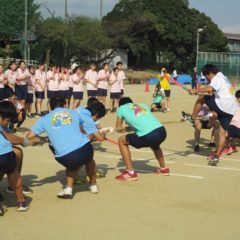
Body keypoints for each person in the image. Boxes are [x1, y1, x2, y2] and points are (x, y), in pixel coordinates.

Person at [26, 96, 99, 199]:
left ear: (49, 107)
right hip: (85, 150)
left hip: (65, 157)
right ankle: (93, 185)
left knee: (70, 160)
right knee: (89, 160)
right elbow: (85, 126)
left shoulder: (44, 119)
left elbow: (29, 136)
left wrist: (45, 139)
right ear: (65, 104)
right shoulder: (74, 112)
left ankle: (68, 189)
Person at [187, 64, 237, 166]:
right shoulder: (224, 78)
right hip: (231, 110)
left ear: (210, 73)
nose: (207, 78)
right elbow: (213, 92)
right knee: (222, 133)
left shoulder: (217, 77)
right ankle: (216, 157)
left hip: (223, 106)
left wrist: (195, 90)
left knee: (201, 98)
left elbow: (209, 88)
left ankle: (192, 118)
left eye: (206, 76)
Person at [115, 97, 170, 181]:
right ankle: (163, 168)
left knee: (121, 140)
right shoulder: (142, 105)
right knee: (155, 144)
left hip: (148, 135)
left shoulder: (121, 108)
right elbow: (143, 119)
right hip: (162, 131)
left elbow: (118, 129)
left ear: (120, 105)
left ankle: (130, 173)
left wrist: (129, 128)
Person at [0, 101, 29, 214]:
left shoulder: (2, 124)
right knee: (15, 177)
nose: (7, 123)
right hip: (7, 155)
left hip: (4, 153)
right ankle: (21, 203)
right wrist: (24, 141)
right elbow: (10, 138)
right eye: (7, 120)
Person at [223, 90, 240, 154]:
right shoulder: (235, 105)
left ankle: (229, 147)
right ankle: (232, 146)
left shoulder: (234, 106)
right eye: (238, 97)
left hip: (234, 125)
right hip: (235, 126)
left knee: (223, 133)